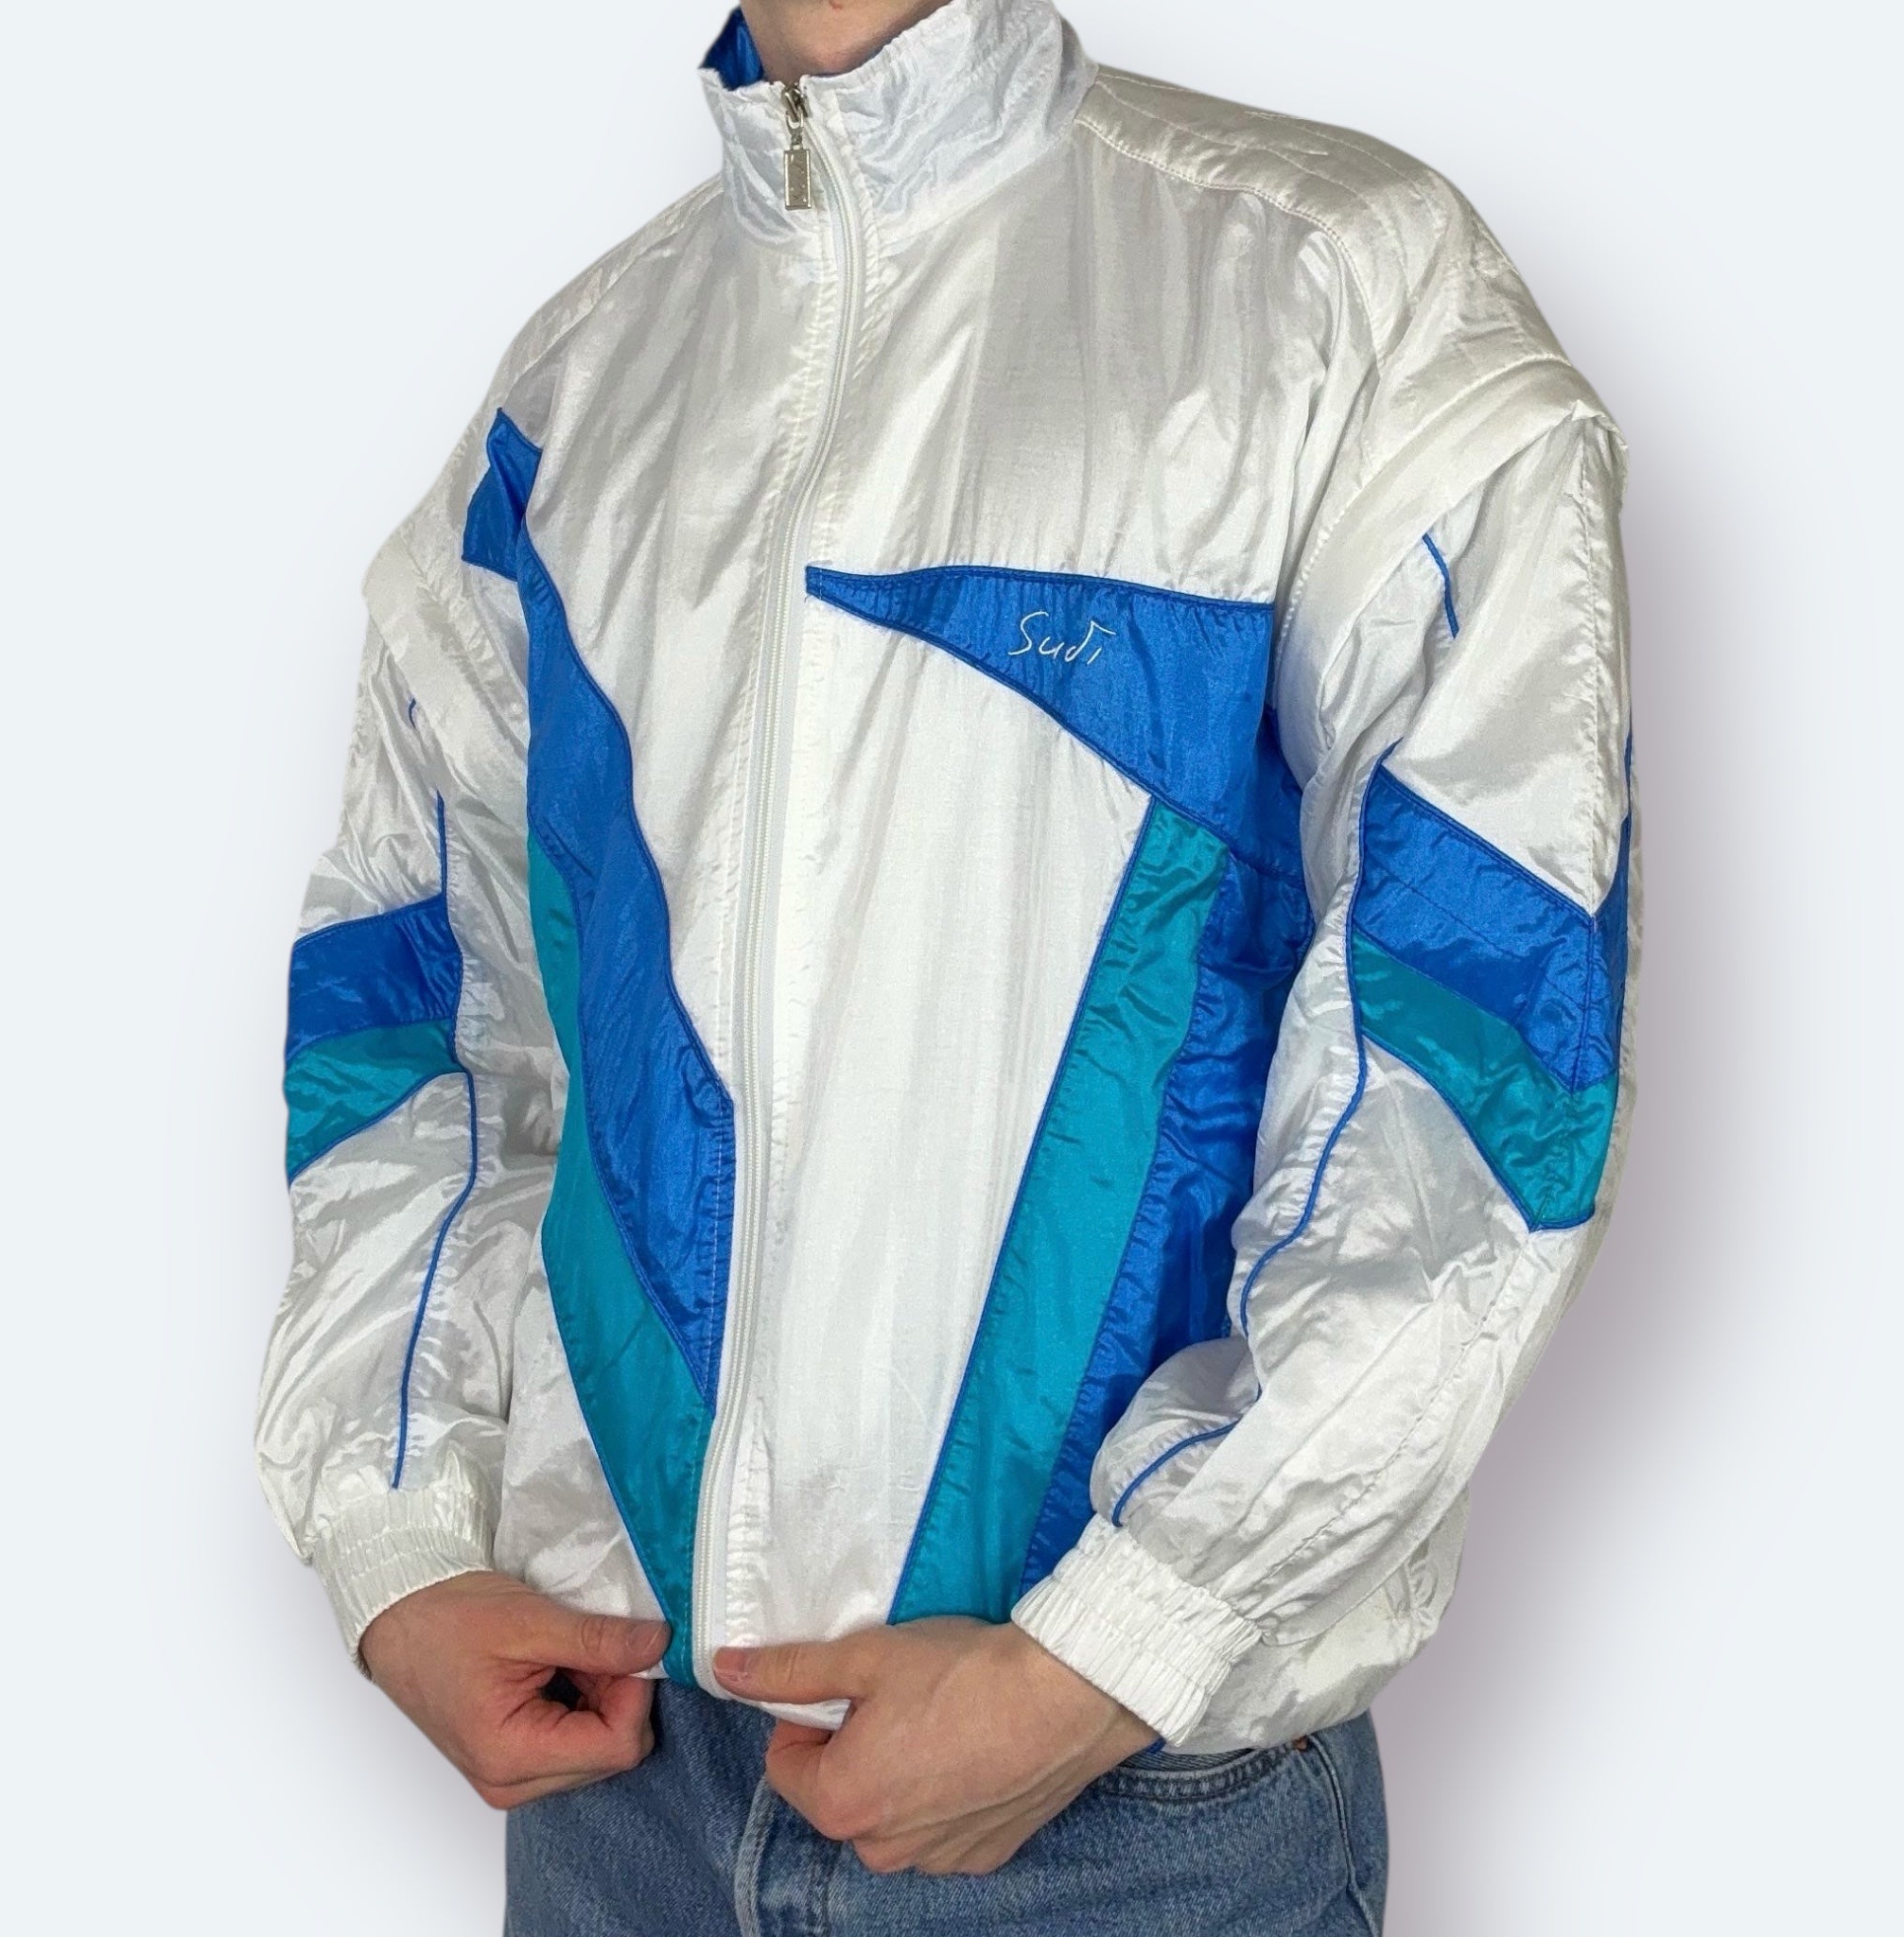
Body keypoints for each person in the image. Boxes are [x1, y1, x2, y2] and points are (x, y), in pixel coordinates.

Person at [257, 0, 1634, 1928]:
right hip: (625, 1786)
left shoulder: (1332, 282)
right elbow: (424, 1006)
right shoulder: (571, 396)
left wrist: (1124, 1644)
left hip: (1123, 1816)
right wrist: (395, 1526)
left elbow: (1482, 1040)